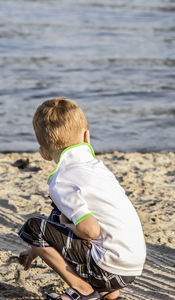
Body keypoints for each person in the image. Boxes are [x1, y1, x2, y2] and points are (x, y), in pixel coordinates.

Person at [18, 98, 146, 300]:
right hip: (132, 265)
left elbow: (90, 230)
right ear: (87, 136)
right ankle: (110, 295)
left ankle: (84, 291)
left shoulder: (62, 180)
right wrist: (38, 249)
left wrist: (50, 235)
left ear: (43, 152)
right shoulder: (98, 169)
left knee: (33, 228)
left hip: (108, 268)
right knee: (60, 215)